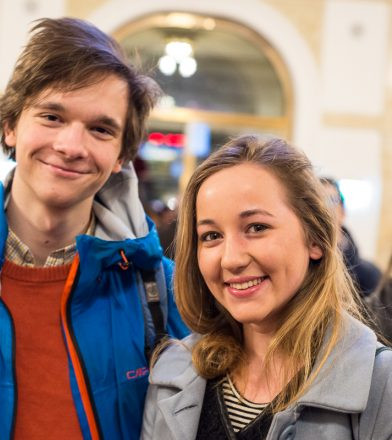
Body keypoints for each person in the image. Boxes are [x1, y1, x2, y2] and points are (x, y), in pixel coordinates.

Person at [0, 17, 188, 440]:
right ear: (11, 126)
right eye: (52, 116)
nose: (71, 147)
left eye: (100, 129)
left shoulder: (163, 294)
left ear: (121, 156)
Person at [141, 135, 392, 439]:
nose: (230, 259)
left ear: (314, 239)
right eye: (211, 236)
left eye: (257, 228)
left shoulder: (379, 385)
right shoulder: (173, 373)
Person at [320, 177, 381, 297]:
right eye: (318, 201)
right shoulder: (301, 271)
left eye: (331, 200)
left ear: (343, 212)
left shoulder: (370, 277)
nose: (324, 208)